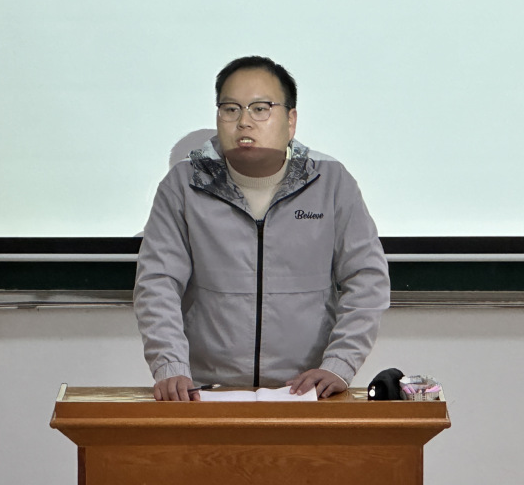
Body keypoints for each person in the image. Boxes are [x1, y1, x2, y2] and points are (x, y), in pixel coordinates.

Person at [134, 56, 390, 401]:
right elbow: (157, 283)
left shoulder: (331, 182)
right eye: (230, 109)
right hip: (208, 391)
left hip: (306, 393)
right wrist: (171, 366)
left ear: (291, 119)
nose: (244, 122)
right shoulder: (183, 184)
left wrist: (339, 364)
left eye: (260, 109)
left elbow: (367, 278)